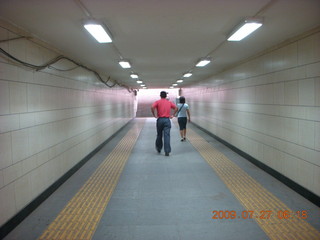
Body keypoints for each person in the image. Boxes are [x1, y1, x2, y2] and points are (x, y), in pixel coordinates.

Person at [151, 91, 178, 156]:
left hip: (160, 120)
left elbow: (152, 107)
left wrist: (154, 115)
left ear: (160, 96)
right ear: (166, 96)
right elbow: (176, 108)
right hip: (167, 120)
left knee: (159, 135)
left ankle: (159, 148)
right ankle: (167, 151)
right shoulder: (169, 102)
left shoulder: (157, 102)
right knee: (167, 136)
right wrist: (173, 115)